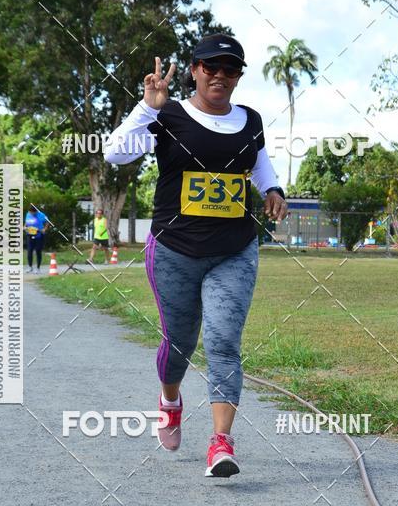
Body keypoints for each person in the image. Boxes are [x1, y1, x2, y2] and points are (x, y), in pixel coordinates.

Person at [104, 33, 287, 478]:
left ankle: (220, 443)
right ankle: (170, 399)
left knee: (224, 343)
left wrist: (273, 188)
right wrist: (147, 106)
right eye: (211, 67)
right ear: (194, 70)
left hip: (234, 249)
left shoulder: (250, 120)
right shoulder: (168, 115)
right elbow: (115, 154)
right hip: (174, 249)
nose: (220, 75)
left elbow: (258, 160)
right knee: (180, 344)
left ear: (239, 75)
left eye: (230, 69)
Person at [23, 203, 49, 274]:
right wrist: (24, 227)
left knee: (38, 251)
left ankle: (38, 268)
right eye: (30, 212)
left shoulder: (41, 215)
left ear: (36, 211)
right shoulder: (28, 214)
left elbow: (47, 222)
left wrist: (44, 229)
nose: (31, 213)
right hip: (29, 234)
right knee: (29, 251)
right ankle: (30, 267)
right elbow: (26, 222)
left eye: (33, 212)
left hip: (39, 235)